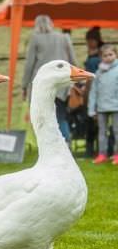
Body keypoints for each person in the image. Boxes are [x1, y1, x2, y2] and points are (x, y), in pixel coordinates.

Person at [22, 15, 76, 143]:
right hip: (62, 84)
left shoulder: (35, 39)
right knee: (61, 116)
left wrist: (24, 85)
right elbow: (73, 61)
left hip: (43, 85)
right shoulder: (64, 37)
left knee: (45, 117)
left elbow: (29, 64)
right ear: (51, 24)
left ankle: (51, 144)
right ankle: (65, 143)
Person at [87, 44, 118, 165]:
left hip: (116, 107)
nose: (108, 57)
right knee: (102, 132)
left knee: (117, 131)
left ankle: (117, 155)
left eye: (111, 54)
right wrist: (91, 109)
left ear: (115, 54)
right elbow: (93, 92)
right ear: (101, 57)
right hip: (101, 107)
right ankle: (102, 154)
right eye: (105, 55)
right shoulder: (98, 73)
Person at [83, 27, 105, 157]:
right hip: (104, 93)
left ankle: (90, 151)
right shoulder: (102, 54)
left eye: (90, 41)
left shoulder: (93, 59)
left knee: (91, 123)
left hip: (94, 93)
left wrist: (86, 95)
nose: (88, 43)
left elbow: (90, 78)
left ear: (95, 40)